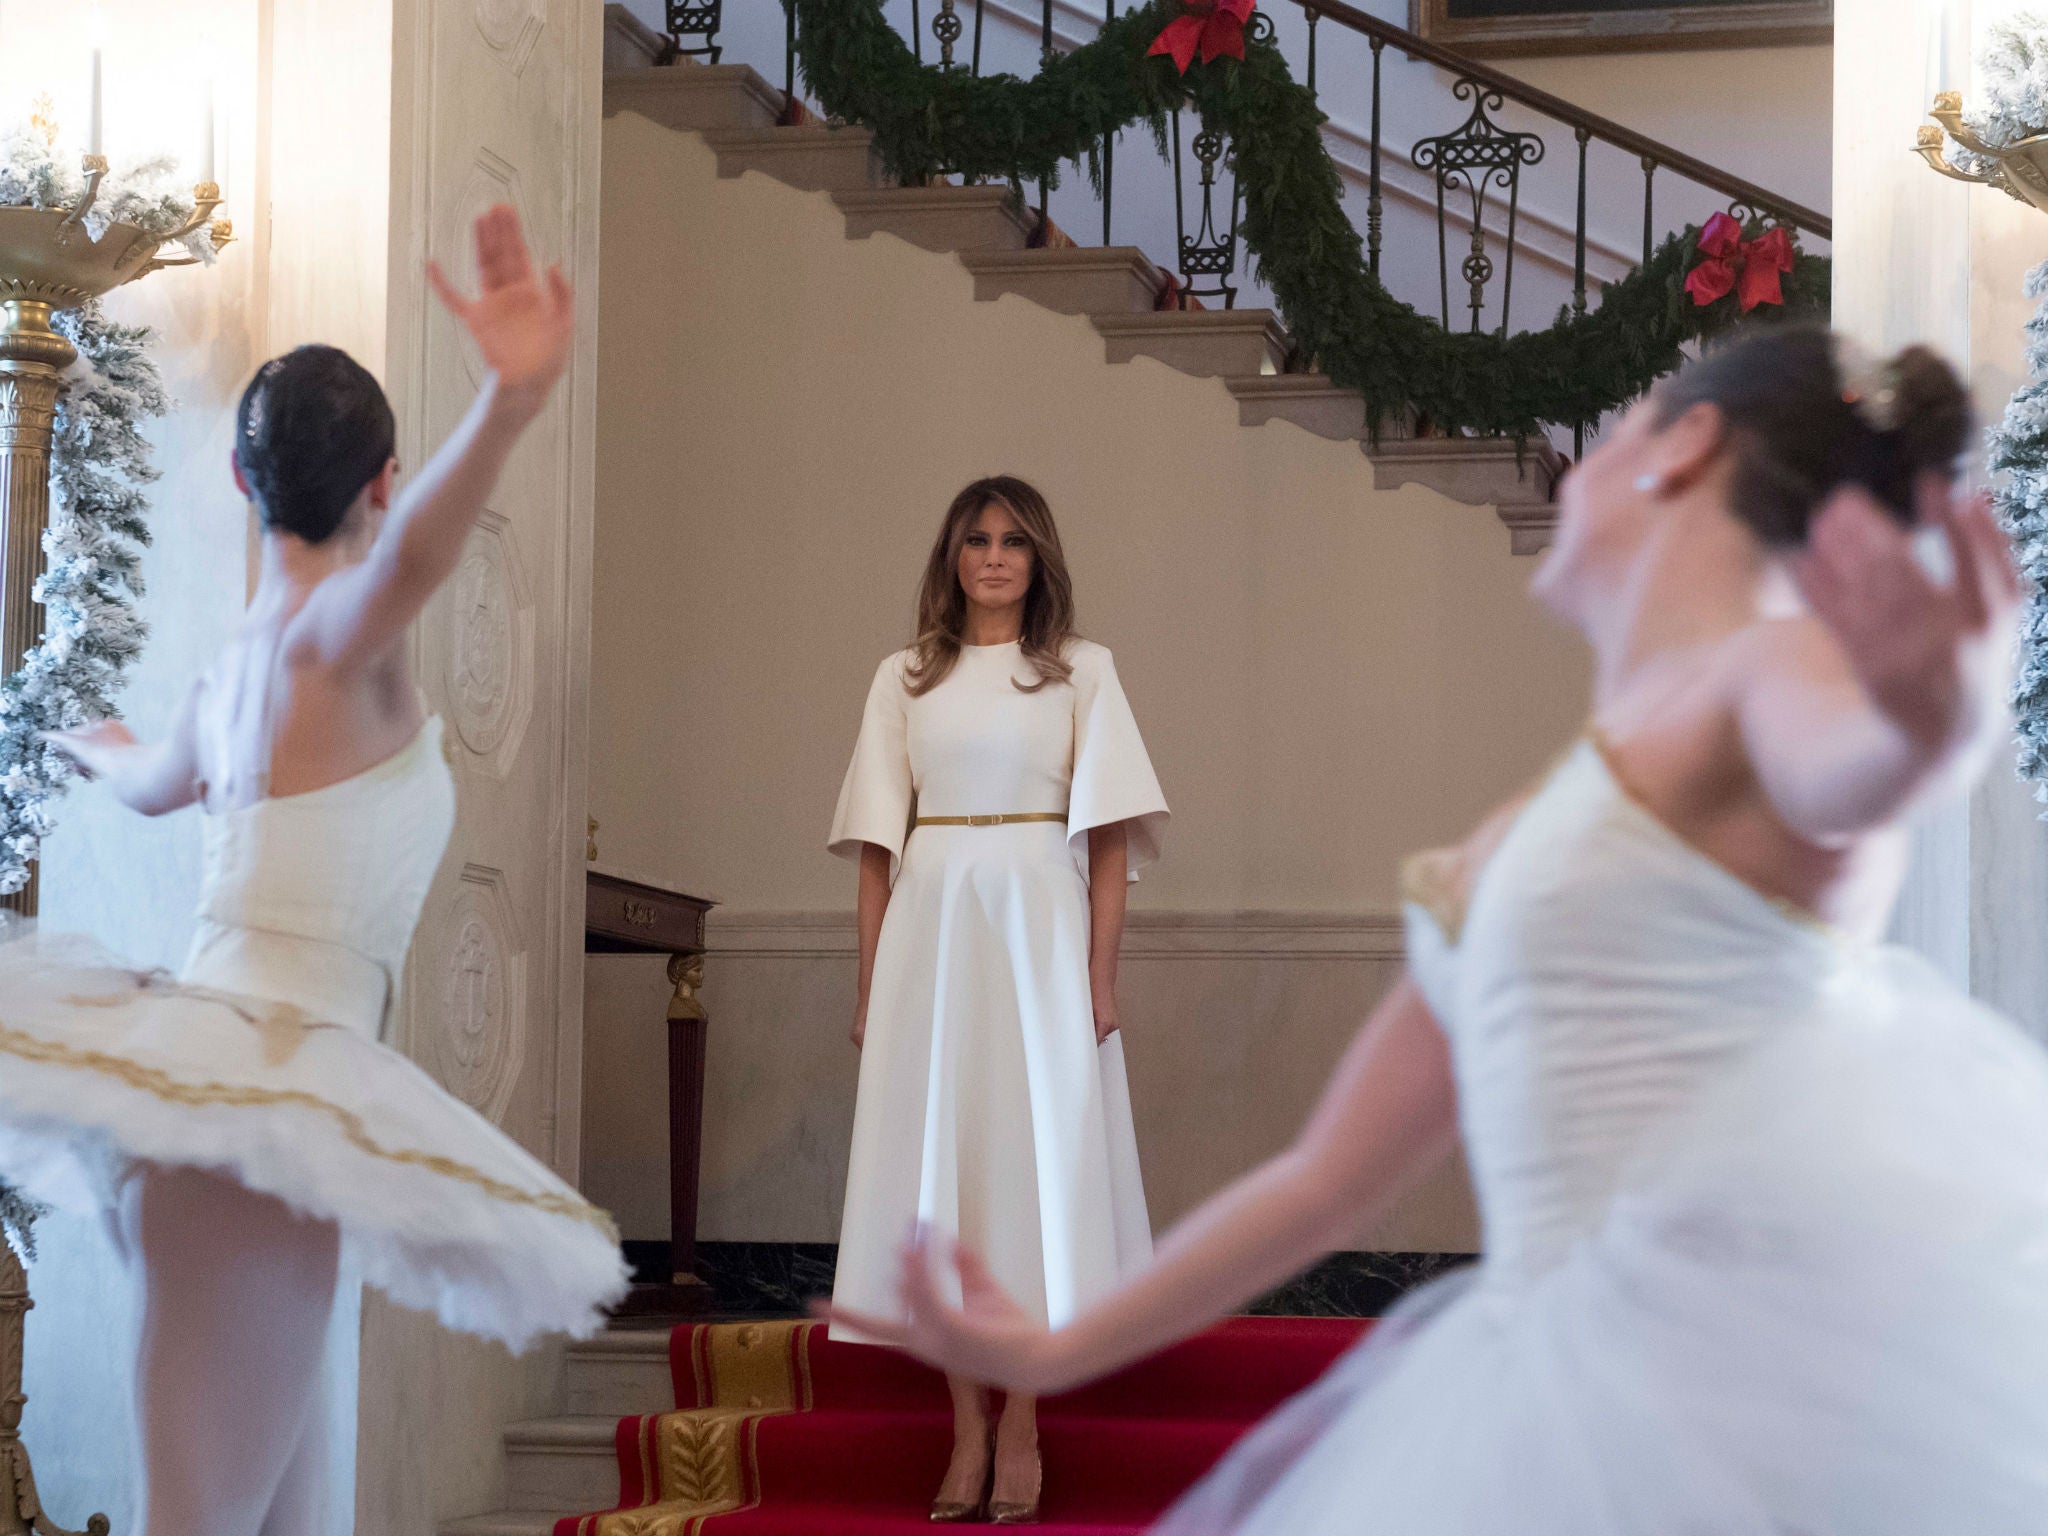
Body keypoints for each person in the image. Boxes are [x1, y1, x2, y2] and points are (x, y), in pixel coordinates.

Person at [824, 327, 2048, 1531]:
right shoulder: (1528, 828)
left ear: (1682, 448)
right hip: (1536, 1394)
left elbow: (1848, 767)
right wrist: (1052, 1346)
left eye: (1615, 423)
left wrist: (1927, 717)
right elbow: (1324, 1186)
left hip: (1706, 1403)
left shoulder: (1763, 676)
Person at [0, 205, 626, 1536]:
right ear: (387, 475)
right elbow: (408, 566)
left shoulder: (242, 662)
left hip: (227, 1107)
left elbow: (154, 776)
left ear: (239, 483)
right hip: (260, 1106)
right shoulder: (323, 641)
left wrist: (91, 740)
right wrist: (510, 406)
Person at [827, 475, 1169, 1523]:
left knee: (1030, 1167)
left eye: (1013, 541)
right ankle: (964, 1424)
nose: (992, 557)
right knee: (944, 1174)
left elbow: (1105, 839)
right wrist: (871, 983)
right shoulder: (904, 678)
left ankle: (1019, 1416)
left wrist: (1099, 977)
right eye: (974, 539)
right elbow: (877, 851)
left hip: (1038, 928)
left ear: (1038, 559)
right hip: (932, 930)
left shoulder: (1079, 673)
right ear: (950, 557)